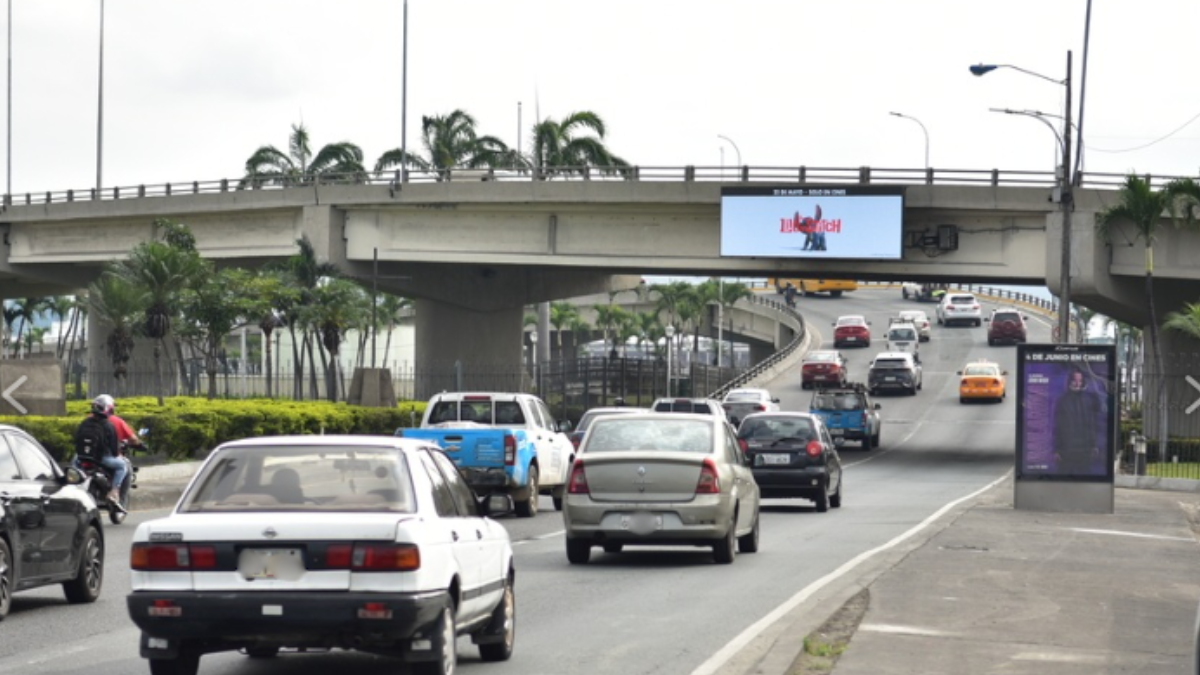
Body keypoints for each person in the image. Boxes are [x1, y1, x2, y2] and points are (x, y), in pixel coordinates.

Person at [74, 395, 126, 504]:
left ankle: (72, 487)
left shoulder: (85, 422)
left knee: (74, 468)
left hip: (82, 457)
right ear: (108, 409)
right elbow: (114, 450)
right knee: (122, 466)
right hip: (101, 459)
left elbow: (76, 439)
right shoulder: (108, 425)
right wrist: (117, 454)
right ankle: (114, 491)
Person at [1052, 367, 1105, 474]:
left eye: (1080, 381)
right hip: (1067, 451)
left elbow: (1092, 425)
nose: (1077, 384)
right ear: (1069, 381)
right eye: (1075, 380)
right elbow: (1057, 426)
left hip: (1085, 451)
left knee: (1084, 477)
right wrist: (1056, 449)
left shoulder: (1088, 400)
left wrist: (1094, 445)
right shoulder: (1062, 401)